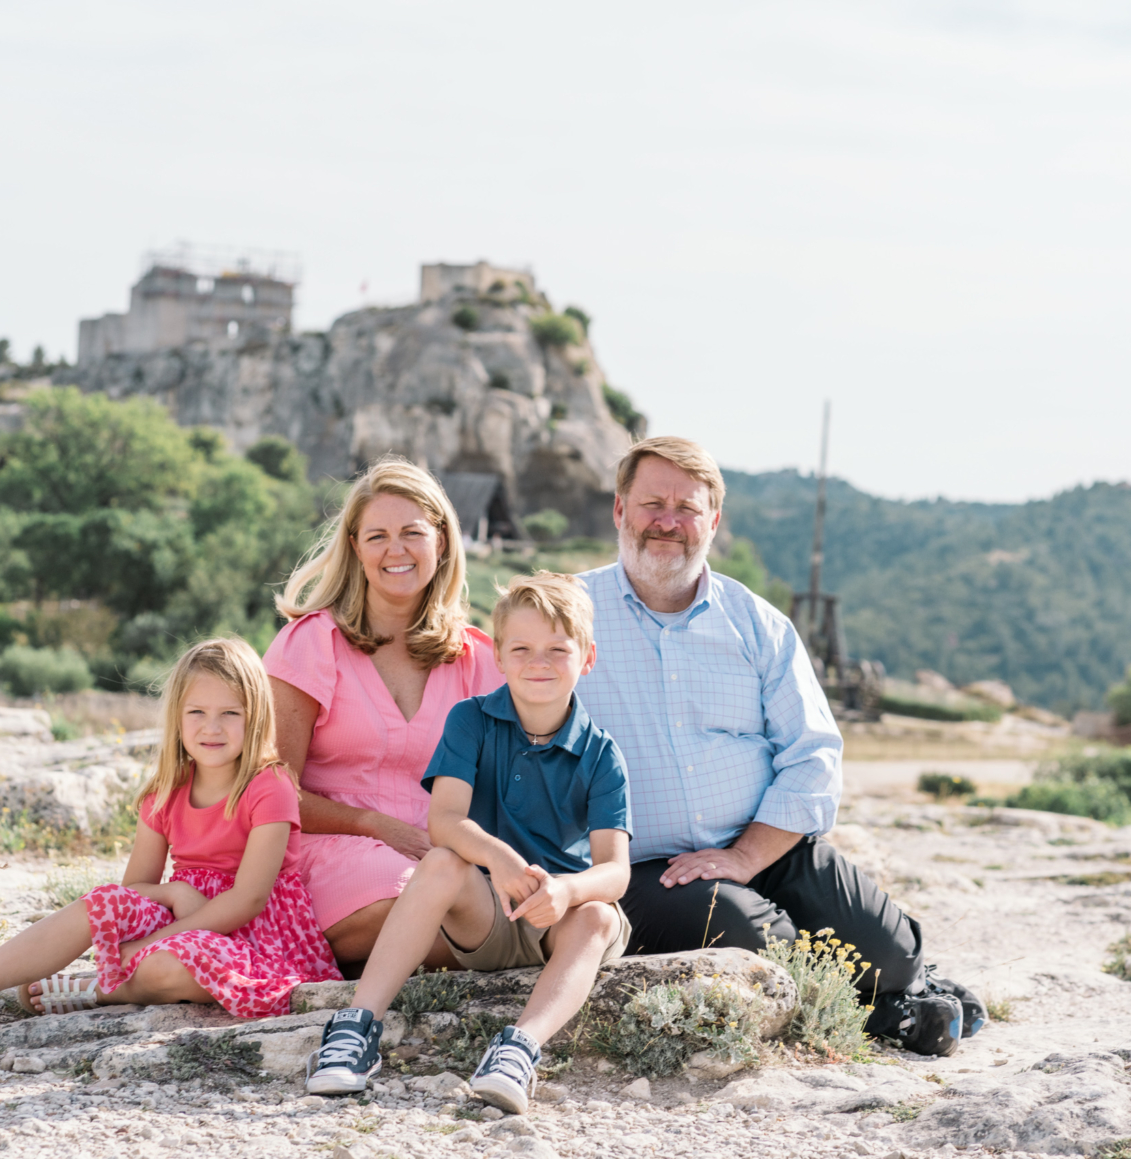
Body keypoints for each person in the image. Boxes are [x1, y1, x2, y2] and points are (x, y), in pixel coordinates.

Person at [576, 436, 984, 1057]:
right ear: (619, 510)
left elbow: (814, 754)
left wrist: (745, 856)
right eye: (652, 502)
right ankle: (879, 1016)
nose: (668, 521)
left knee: (890, 952)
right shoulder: (570, 615)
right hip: (640, 867)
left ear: (712, 522)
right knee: (758, 939)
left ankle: (904, 987)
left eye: (687, 508)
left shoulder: (758, 624)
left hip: (766, 844)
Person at [0, 639, 340, 1047]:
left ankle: (97, 987)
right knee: (100, 904)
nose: (212, 728)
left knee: (173, 965)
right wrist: (171, 893)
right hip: (181, 917)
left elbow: (248, 899)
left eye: (231, 713)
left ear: (255, 716)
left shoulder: (269, 785)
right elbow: (131, 892)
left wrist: (147, 947)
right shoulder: (165, 790)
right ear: (177, 719)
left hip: (258, 940)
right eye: (197, 713)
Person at [305, 573, 631, 1113]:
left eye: (558, 649)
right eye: (522, 648)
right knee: (440, 862)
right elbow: (445, 821)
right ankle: (356, 1029)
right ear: (498, 655)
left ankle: (518, 1050)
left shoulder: (602, 754)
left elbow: (615, 871)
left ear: (588, 658)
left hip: (560, 918)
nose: (539, 662)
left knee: (598, 916)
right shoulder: (471, 721)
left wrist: (568, 892)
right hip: (490, 910)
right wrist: (498, 857)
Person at [265, 457, 503, 971]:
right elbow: (270, 791)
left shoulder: (478, 660)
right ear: (355, 548)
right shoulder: (311, 645)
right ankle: (493, 947)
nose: (395, 550)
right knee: (405, 897)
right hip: (333, 850)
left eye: (412, 532)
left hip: (444, 857)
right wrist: (376, 826)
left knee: (476, 892)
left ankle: (483, 939)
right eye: (377, 536)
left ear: (440, 540)